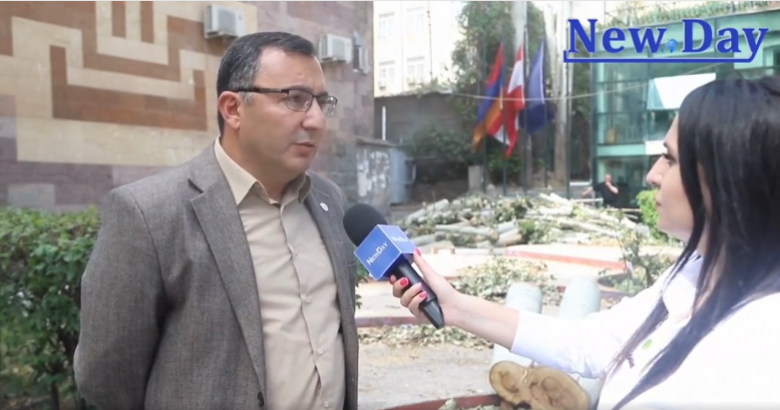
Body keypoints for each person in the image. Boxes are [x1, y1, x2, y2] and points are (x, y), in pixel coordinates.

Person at [390, 76, 780, 409]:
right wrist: (456, 307)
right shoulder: (693, 275)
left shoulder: (756, 348)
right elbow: (591, 343)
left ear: (729, 177)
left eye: (670, 158)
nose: (653, 175)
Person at [74, 32, 359, 410]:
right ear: (233, 109)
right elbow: (106, 375)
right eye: (295, 99)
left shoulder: (329, 200)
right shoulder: (149, 214)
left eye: (322, 102)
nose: (317, 119)